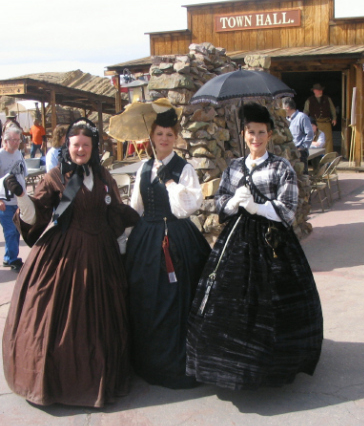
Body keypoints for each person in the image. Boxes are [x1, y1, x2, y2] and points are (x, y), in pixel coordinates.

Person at [2, 118, 140, 407]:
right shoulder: (56, 176)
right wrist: (20, 196)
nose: (80, 149)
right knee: (53, 315)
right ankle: (56, 383)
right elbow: (37, 215)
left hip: (102, 254)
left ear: (93, 147)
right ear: (68, 145)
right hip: (65, 252)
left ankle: (100, 378)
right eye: (76, 145)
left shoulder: (103, 176)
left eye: (86, 145)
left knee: (102, 319)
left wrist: (139, 225)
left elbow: (115, 210)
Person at [186, 102, 323, 390]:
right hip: (236, 241)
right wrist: (233, 202)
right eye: (251, 132)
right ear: (244, 134)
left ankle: (273, 364)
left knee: (273, 301)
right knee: (230, 300)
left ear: (270, 134)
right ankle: (231, 364)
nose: (256, 138)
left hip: (272, 243)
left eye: (261, 132)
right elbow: (221, 203)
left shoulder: (280, 166)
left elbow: (288, 210)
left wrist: (257, 206)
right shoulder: (234, 167)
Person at [124, 102, 211, 389]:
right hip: (146, 241)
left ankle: (179, 361)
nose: (164, 139)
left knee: (176, 301)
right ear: (151, 136)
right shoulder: (144, 167)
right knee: (147, 298)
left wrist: (171, 183)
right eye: (159, 134)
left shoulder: (184, 168)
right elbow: (135, 206)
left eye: (169, 135)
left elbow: (187, 207)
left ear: (176, 138)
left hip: (176, 240)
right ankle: (149, 360)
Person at [0, 127, 27, 272]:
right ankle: (13, 259)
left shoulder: (18, 154)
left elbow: (23, 173)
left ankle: (8, 258)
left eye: (18, 140)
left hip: (18, 200)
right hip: (5, 202)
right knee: (10, 231)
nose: (17, 143)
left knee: (16, 231)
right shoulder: (1, 155)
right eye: (14, 140)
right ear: (5, 140)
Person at [282, 97, 313, 175]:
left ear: (287, 108)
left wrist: (302, 147)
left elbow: (309, 133)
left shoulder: (302, 117)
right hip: (289, 152)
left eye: (282, 107)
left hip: (300, 151)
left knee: (302, 175)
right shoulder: (286, 119)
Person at [304, 83, 337, 153]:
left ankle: (328, 156)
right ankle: (318, 156)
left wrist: (334, 118)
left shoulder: (327, 99)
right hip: (316, 123)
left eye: (321, 90)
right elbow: (305, 112)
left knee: (328, 140)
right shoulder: (309, 100)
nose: (321, 92)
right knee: (316, 139)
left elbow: (332, 109)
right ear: (314, 91)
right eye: (319, 90)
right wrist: (305, 122)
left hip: (326, 122)